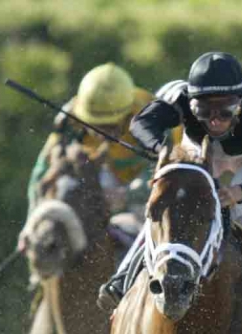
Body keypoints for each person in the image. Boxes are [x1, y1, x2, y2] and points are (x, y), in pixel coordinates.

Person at [97, 51, 242, 334]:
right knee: (174, 203)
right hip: (196, 144)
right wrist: (164, 149)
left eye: (226, 110)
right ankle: (124, 278)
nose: (216, 119)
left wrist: (236, 192)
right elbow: (142, 126)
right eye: (204, 110)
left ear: (241, 102)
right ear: (189, 101)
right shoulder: (177, 96)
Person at [26, 63, 154, 225]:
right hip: (103, 179)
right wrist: (33, 221)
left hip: (143, 186)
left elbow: (170, 170)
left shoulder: (152, 117)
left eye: (110, 125)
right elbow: (41, 174)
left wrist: (128, 195)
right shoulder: (69, 119)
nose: (102, 134)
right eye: (94, 125)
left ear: (128, 114)